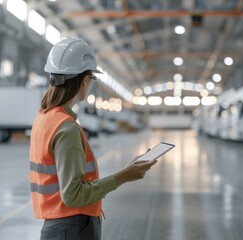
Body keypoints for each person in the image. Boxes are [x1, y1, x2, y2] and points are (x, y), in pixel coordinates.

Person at [29, 37, 157, 240]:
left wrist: (125, 170)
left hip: (59, 225)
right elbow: (73, 195)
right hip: (73, 227)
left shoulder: (44, 117)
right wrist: (123, 177)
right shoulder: (66, 128)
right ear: (84, 80)